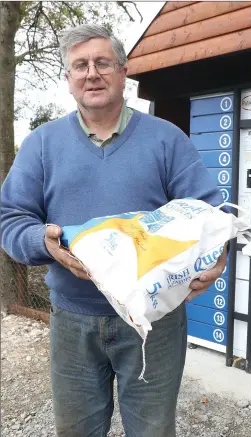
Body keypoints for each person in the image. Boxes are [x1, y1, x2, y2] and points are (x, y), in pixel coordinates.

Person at [1, 25, 228, 437]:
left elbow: (209, 212)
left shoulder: (166, 139)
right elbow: (11, 219)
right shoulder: (42, 144)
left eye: (103, 62)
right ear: (68, 80)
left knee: (153, 430)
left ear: (124, 72)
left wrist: (218, 256)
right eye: (80, 65)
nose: (92, 73)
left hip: (154, 321)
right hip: (73, 320)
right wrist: (44, 244)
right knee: (77, 430)